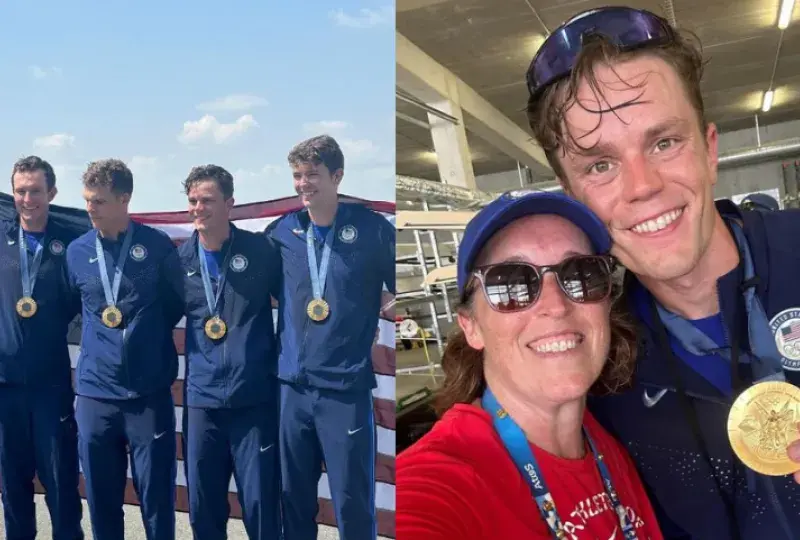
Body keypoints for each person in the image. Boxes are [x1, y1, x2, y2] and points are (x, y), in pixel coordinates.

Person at [524, 6, 800, 538]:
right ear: (575, 199)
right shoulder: (600, 372)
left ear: (709, 150)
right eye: (600, 165)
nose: (641, 185)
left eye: (664, 142)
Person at [396, 190, 663, 539]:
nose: (556, 305)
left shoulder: (605, 446)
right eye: (510, 284)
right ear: (471, 326)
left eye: (581, 273)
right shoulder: (439, 482)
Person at [265, 134, 395, 539]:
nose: (304, 184)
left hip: (344, 389)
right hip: (293, 390)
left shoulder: (373, 231)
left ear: (337, 176)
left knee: (352, 502)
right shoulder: (282, 232)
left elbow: (398, 296)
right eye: (297, 176)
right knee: (294, 498)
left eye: (313, 175)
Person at [65, 159, 184, 540]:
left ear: (124, 199)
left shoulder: (156, 246)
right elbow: (72, 307)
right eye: (87, 200)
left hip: (147, 397)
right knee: (101, 501)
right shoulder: (77, 251)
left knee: (156, 501)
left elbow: (174, 304)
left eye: (99, 201)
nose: (90, 209)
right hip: (96, 397)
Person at [178, 165, 282, 539]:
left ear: (229, 204)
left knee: (261, 508)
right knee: (205, 511)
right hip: (203, 405)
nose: (198, 208)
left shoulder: (261, 252)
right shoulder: (179, 262)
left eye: (207, 200)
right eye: (192, 200)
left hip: (253, 402)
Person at [0, 156, 84, 540]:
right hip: (5, 389)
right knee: (13, 487)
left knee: (61, 483)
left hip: (51, 388)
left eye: (36, 191)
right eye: (20, 191)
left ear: (52, 193)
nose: (27, 199)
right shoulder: (1, 239)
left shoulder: (71, 245)